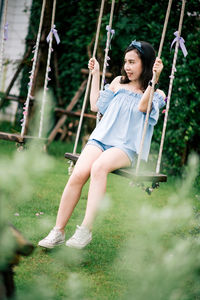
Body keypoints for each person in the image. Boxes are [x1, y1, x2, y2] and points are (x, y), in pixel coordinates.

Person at [38, 40, 166, 249]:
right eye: (126, 62)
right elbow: (95, 105)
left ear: (147, 64)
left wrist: (155, 78)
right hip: (101, 138)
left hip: (125, 147)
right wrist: (96, 74)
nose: (127, 67)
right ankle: (58, 231)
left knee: (99, 167)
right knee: (78, 174)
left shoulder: (157, 94)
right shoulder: (117, 82)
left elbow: (143, 107)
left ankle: (85, 230)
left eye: (132, 62)